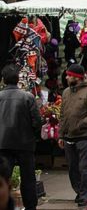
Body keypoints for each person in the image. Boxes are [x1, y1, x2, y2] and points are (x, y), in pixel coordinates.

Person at [59, 63, 87, 207]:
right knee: (72, 168)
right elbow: (62, 115)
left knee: (85, 168)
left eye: (69, 75)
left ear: (76, 77)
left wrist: (82, 124)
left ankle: (85, 195)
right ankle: (79, 191)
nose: (66, 77)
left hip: (84, 136)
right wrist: (61, 134)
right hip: (68, 137)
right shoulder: (66, 92)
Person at [0, 64, 42, 210]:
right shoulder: (28, 97)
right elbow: (37, 121)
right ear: (18, 79)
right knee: (28, 179)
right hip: (25, 144)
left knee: (3, 178)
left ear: (4, 80)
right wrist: (34, 136)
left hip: (3, 144)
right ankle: (31, 207)